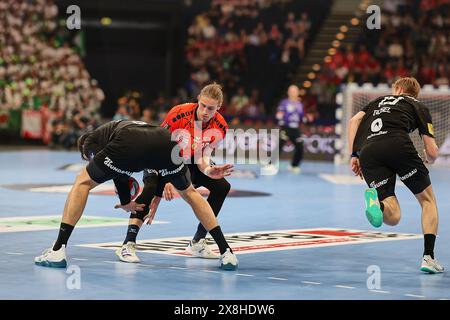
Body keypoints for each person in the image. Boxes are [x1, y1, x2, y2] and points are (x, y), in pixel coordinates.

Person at [34, 119, 239, 271]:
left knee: (82, 182)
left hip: (131, 141)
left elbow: (113, 170)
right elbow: (132, 175)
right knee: (191, 194)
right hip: (165, 140)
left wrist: (125, 202)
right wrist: (128, 201)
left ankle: (58, 250)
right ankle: (226, 252)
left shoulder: (90, 142)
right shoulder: (117, 127)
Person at [115, 83, 232, 262]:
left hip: (189, 160)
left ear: (218, 108)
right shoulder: (179, 113)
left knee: (222, 186)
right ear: (198, 100)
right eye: (202, 106)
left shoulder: (221, 126)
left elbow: (202, 157)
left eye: (211, 108)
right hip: (158, 155)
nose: (205, 111)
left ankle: (198, 242)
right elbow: (162, 147)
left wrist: (209, 170)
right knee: (151, 188)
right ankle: (127, 244)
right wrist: (165, 184)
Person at [348, 77, 443, 274]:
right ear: (413, 93)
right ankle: (429, 257)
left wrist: (354, 154)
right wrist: (429, 158)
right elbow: (432, 152)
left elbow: (354, 120)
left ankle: (378, 205)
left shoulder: (377, 101)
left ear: (398, 89)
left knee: (393, 216)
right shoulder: (418, 105)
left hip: (368, 151)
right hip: (397, 144)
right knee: (428, 202)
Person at [275, 84, 305, 173]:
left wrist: (306, 119)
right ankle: (271, 164)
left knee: (300, 147)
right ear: (288, 92)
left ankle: (294, 165)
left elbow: (301, 117)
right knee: (279, 146)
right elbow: (279, 114)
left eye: (295, 91)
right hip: (285, 128)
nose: (293, 93)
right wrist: (280, 117)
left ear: (298, 92)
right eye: (291, 91)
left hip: (295, 129)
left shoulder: (300, 104)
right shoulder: (284, 103)